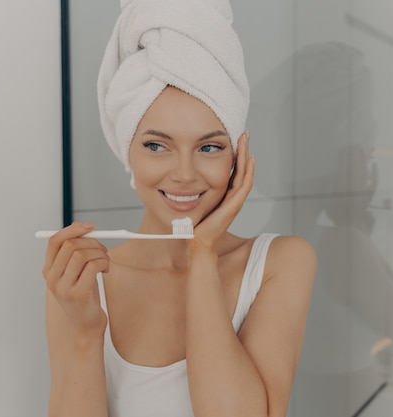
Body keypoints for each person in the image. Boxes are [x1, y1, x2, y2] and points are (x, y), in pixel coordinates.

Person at [42, 1, 316, 416]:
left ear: (236, 157)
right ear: (126, 150)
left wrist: (202, 251)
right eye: (156, 145)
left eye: (209, 147)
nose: (185, 174)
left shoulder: (281, 262)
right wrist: (85, 333)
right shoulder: (84, 280)